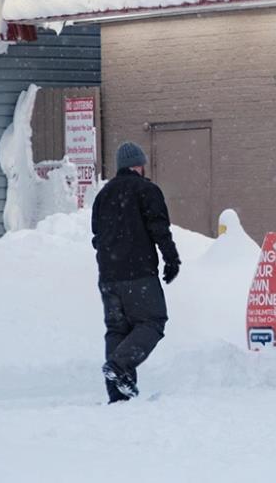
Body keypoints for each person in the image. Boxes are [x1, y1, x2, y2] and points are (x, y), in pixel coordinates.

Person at [91, 141, 180, 403]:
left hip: (108, 276)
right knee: (153, 321)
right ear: (139, 165)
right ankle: (119, 366)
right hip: (138, 273)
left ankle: (118, 394)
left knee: (117, 329)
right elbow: (159, 229)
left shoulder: (103, 195)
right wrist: (171, 259)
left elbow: (96, 236)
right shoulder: (146, 190)